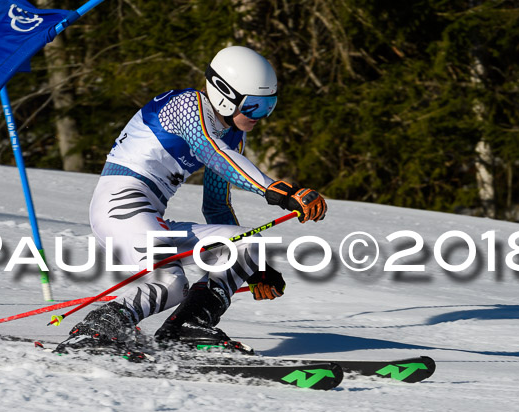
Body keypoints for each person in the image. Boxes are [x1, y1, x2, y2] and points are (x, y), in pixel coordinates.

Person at [60, 46, 327, 353]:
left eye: (269, 106)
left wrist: (253, 268)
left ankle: (184, 328)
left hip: (149, 214)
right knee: (170, 284)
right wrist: (282, 192)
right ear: (224, 94)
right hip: (119, 206)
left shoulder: (231, 135)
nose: (261, 116)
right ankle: (95, 330)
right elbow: (212, 153)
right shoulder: (186, 105)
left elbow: (216, 204)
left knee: (246, 243)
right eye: (253, 106)